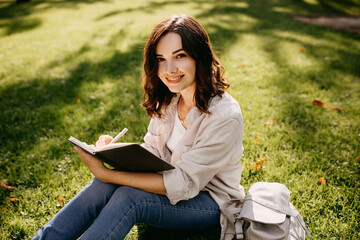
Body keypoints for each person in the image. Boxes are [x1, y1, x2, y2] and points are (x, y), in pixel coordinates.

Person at [32, 14, 245, 240]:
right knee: (102, 184)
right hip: (174, 183)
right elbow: (153, 150)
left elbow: (184, 183)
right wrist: (113, 151)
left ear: (199, 58)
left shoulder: (224, 116)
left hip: (211, 201)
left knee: (129, 197)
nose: (169, 69)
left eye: (180, 56)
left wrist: (109, 174)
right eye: (161, 59)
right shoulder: (171, 97)